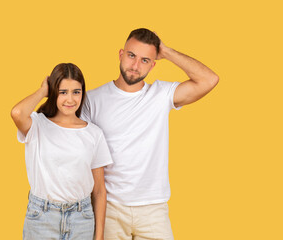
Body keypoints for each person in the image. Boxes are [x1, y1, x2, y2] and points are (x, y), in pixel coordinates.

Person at [81, 28, 219, 240]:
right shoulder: (92, 99)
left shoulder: (161, 94)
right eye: (131, 55)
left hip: (153, 209)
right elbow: (80, 150)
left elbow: (209, 79)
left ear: (154, 64)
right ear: (121, 54)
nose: (135, 66)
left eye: (145, 60)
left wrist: (167, 51)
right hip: (110, 207)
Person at [11, 63, 113, 240]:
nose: (70, 99)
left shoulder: (93, 134)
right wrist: (43, 91)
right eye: (63, 92)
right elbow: (17, 113)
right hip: (42, 217)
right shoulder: (37, 125)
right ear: (53, 92)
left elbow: (99, 190)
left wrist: (99, 235)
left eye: (76, 92)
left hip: (82, 218)